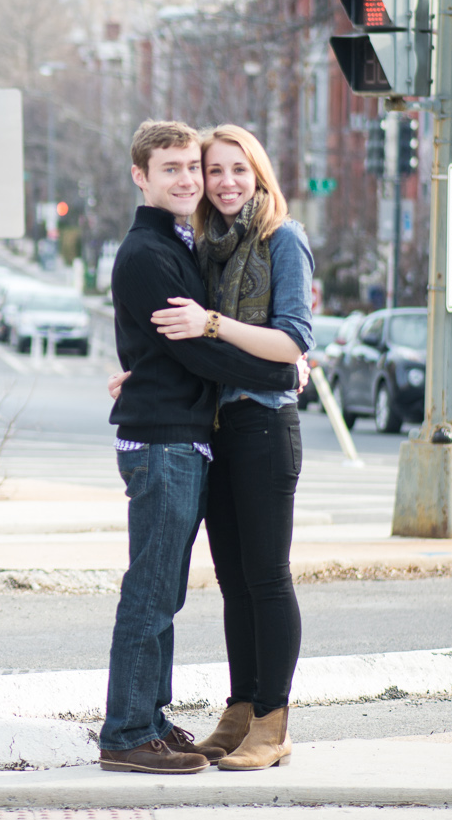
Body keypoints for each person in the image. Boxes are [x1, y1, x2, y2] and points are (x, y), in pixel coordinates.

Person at [99, 120, 301, 775]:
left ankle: (209, 719)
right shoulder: (158, 251)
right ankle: (133, 728)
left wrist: (150, 366)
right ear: (141, 176)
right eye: (182, 169)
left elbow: (272, 333)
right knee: (160, 590)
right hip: (173, 438)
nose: (200, 180)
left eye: (202, 167)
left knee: (241, 581)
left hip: (231, 432)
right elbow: (188, 346)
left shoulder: (246, 242)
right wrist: (278, 368)